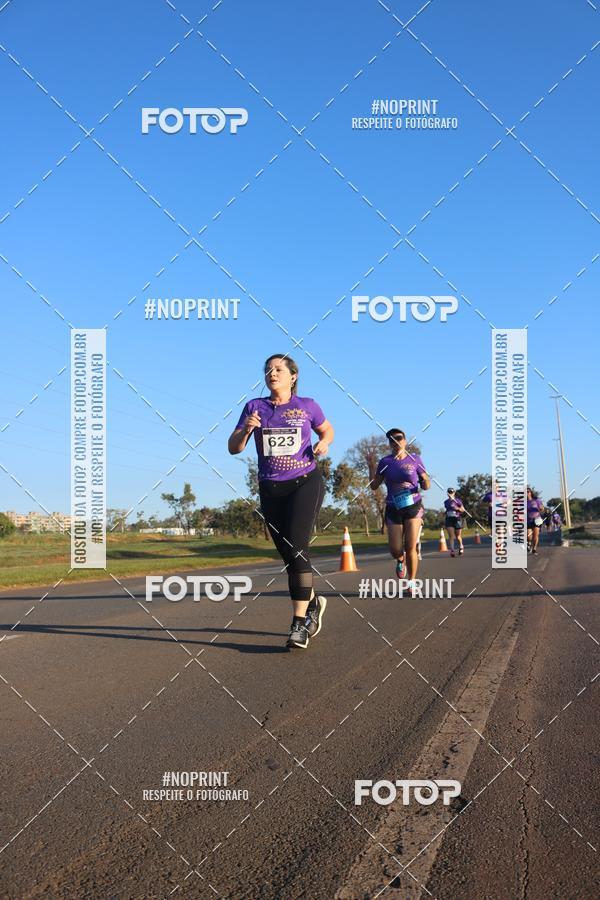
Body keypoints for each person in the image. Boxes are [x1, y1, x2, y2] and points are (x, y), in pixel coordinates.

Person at [228, 354, 334, 649]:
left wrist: (324, 442)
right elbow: (233, 448)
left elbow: (327, 430)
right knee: (290, 557)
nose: (272, 373)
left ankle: (298, 625)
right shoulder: (255, 407)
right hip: (270, 488)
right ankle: (312, 603)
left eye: (278, 369)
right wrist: (246, 428)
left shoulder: (307, 406)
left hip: (305, 482)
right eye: (268, 370)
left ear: (293, 376)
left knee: (298, 549)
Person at [371, 429, 430, 587]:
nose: (396, 442)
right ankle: (400, 559)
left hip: (413, 506)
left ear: (405, 441)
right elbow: (375, 486)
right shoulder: (385, 462)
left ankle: (411, 581)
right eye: (392, 440)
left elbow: (426, 481)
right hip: (393, 507)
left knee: (410, 546)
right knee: (395, 549)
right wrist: (373, 472)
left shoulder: (415, 459)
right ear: (389, 444)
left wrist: (425, 483)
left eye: (399, 438)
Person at [443, 488, 466, 557]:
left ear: (454, 493)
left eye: (452, 492)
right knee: (451, 536)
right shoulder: (446, 502)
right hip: (449, 519)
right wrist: (444, 513)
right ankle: (452, 550)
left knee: (458, 536)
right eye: (449, 492)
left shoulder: (458, 501)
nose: (450, 493)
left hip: (457, 518)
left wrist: (458, 508)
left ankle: (461, 546)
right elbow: (448, 509)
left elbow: (463, 510)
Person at [526, 487, 545, 554]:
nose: (527, 493)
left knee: (535, 535)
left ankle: (534, 549)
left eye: (528, 491)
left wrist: (541, 508)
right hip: (528, 521)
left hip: (537, 520)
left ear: (531, 492)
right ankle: (528, 543)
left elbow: (542, 508)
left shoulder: (536, 500)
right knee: (529, 536)